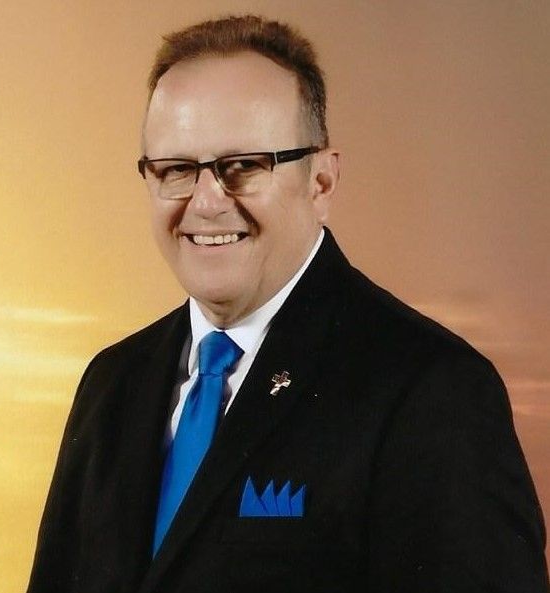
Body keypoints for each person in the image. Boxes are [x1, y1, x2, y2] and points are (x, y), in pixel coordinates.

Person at [27, 15, 548, 593]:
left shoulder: (432, 392)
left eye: (243, 167)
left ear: (321, 182)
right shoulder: (111, 383)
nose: (206, 202)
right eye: (176, 169)